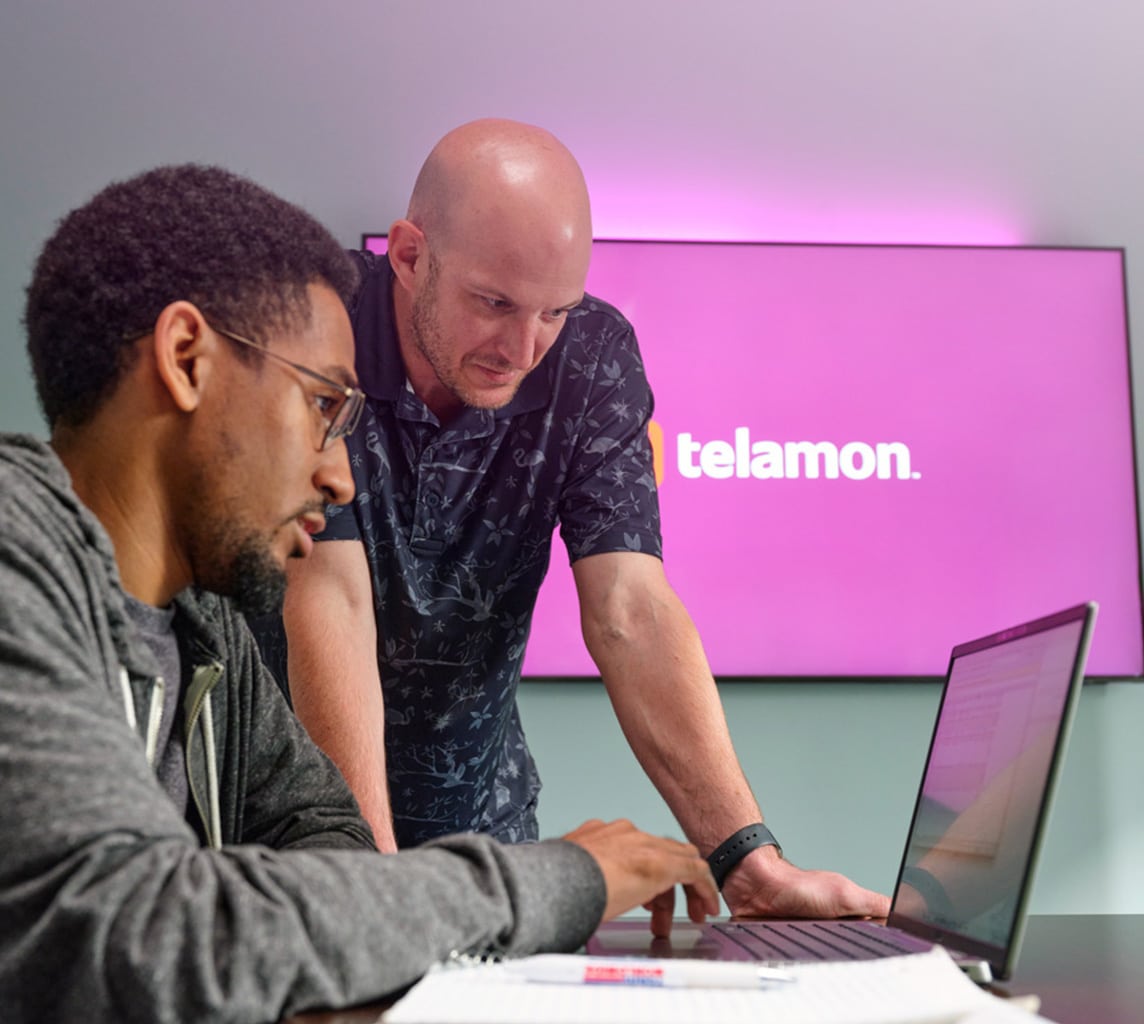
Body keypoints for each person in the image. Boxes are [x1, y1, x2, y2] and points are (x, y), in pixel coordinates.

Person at [0, 163, 721, 1023]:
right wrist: (565, 878)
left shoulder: (203, 633)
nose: (341, 476)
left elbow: (340, 863)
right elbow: (140, 931)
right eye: (323, 405)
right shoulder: (14, 561)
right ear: (186, 358)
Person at [263, 118, 890, 922]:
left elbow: (632, 606)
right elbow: (328, 601)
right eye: (493, 303)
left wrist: (749, 862)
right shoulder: (320, 325)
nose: (524, 347)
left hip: (486, 845)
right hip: (291, 849)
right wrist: (381, 903)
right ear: (412, 256)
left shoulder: (591, 355)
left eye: (553, 310)